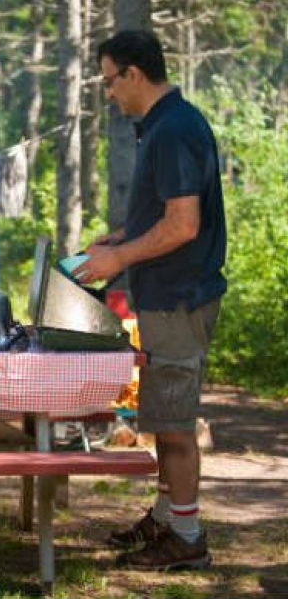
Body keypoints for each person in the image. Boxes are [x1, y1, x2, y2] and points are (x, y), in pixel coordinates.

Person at [75, 30, 226, 570]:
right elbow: (165, 215)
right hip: (167, 296)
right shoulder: (165, 125)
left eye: (110, 81)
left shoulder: (173, 131)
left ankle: (188, 538)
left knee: (176, 424)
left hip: (179, 299)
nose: (110, 93)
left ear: (134, 74)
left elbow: (184, 225)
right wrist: (122, 237)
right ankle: (167, 518)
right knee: (163, 418)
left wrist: (120, 260)